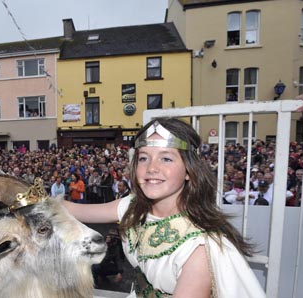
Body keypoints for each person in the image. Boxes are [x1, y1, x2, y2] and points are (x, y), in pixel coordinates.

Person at [64, 118, 265, 297]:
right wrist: (33, 197)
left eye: (166, 158)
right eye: (144, 158)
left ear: (189, 170)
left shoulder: (200, 248)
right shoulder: (133, 206)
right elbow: (75, 210)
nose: (152, 168)